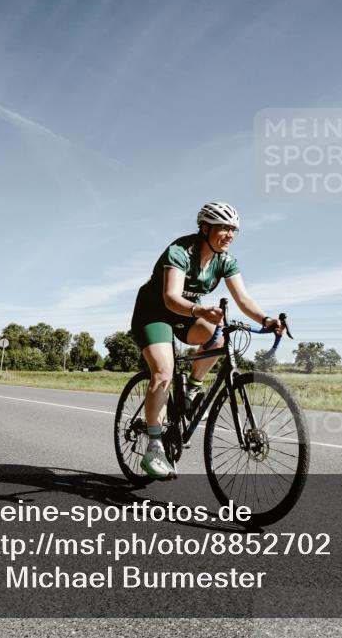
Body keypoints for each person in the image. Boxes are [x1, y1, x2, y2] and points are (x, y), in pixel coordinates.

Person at [130, 202, 284, 480]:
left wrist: (265, 320)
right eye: (223, 228)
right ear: (204, 228)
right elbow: (170, 298)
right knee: (163, 371)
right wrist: (201, 310)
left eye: (233, 230)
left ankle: (192, 387)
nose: (229, 235)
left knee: (221, 331)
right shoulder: (180, 252)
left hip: (188, 314)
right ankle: (154, 448)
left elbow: (244, 299)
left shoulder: (225, 261)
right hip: (154, 313)